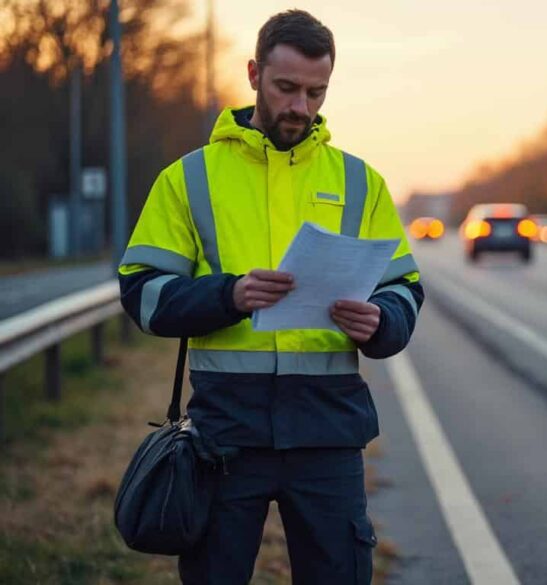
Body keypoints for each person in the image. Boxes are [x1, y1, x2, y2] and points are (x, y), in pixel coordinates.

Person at [117, 10, 422, 584]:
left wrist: (381, 321)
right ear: (254, 73)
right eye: (286, 89)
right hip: (225, 437)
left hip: (329, 434)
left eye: (316, 92)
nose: (301, 108)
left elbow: (404, 286)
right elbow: (142, 293)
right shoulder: (188, 179)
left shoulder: (362, 182)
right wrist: (228, 294)